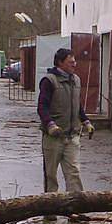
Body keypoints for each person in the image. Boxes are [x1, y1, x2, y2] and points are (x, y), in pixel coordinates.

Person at [37, 48, 94, 204]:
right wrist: (50, 124)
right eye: (70, 62)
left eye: (74, 61)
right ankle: (50, 207)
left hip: (72, 136)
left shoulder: (76, 80)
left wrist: (86, 121)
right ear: (60, 62)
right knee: (51, 175)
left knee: (74, 173)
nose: (74, 64)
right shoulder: (49, 81)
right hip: (53, 137)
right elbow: (42, 106)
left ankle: (75, 208)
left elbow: (77, 105)